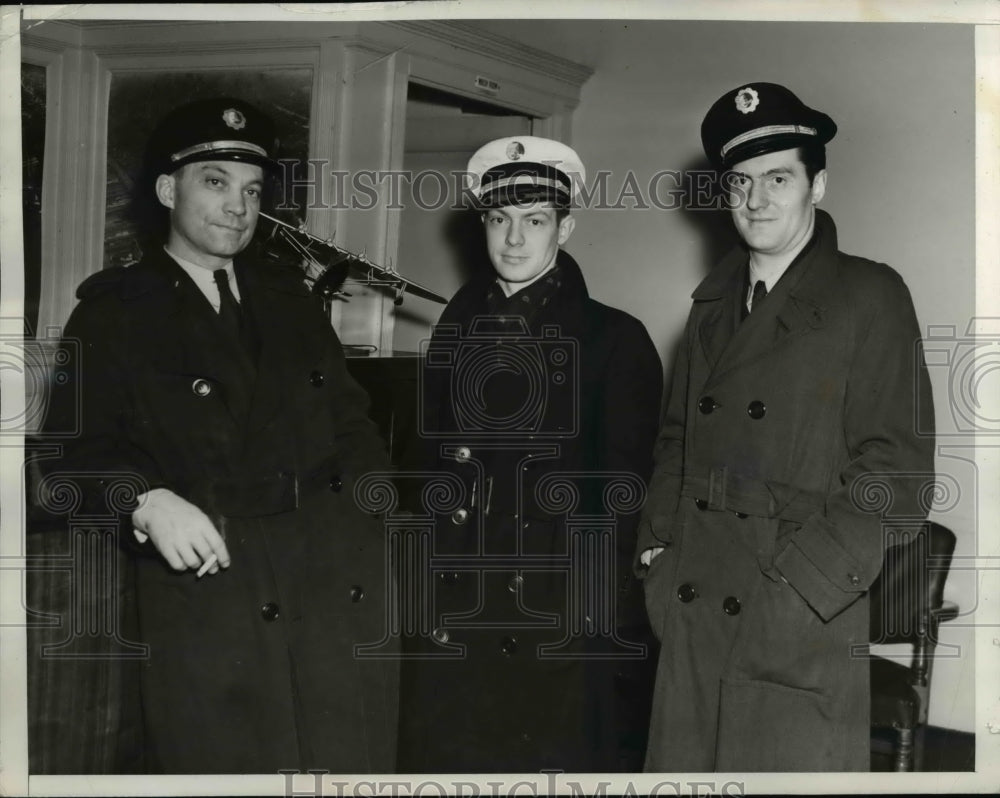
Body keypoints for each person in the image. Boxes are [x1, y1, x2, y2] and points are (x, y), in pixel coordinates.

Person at [41, 98, 397, 774]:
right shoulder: (115, 313)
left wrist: (366, 522)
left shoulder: (292, 300)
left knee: (344, 763)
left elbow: (352, 425)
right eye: (215, 182)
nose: (239, 206)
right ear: (168, 190)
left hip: (328, 582)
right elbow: (72, 460)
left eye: (253, 190)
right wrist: (144, 501)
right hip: (211, 594)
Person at [637, 82, 936, 772]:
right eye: (739, 181)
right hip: (691, 608)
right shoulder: (710, 308)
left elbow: (896, 475)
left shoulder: (870, 295)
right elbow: (676, 440)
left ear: (817, 185)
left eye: (778, 178)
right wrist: (656, 551)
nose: (756, 199)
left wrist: (801, 588)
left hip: (795, 615)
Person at [396, 136, 663, 773]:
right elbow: (426, 472)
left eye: (535, 220)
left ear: (565, 228)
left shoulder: (614, 340)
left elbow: (624, 500)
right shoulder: (455, 330)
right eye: (499, 219)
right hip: (454, 601)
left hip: (555, 612)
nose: (514, 239)